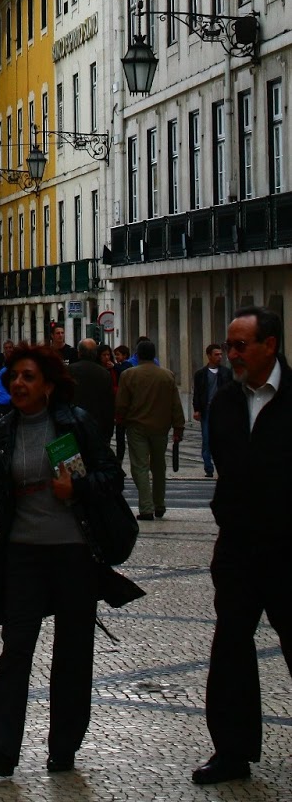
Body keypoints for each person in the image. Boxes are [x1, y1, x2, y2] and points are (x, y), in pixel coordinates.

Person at [0, 344, 140, 777]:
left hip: (74, 552)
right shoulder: (3, 432)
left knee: (73, 653)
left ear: (47, 385)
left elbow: (111, 477)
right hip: (23, 553)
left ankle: (64, 747)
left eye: (27, 377)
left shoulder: (73, 423)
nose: (18, 384)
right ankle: (1, 749)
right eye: (13, 377)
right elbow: (1, 496)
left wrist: (76, 489)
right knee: (16, 649)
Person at [191, 307, 292, 785]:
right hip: (238, 547)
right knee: (231, 645)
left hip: (289, 547)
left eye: (240, 345)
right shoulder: (227, 400)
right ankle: (232, 752)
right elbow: (228, 466)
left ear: (270, 345)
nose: (232, 354)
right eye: (229, 345)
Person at [115, 337, 184, 519]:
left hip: (136, 426)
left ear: (138, 355)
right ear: (154, 355)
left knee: (140, 466)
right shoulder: (167, 375)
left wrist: (120, 419)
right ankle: (159, 503)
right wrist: (178, 427)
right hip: (161, 427)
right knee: (159, 466)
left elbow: (121, 403)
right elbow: (175, 404)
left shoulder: (128, 375)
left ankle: (146, 507)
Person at [192, 343, 232, 480]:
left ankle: (222, 467)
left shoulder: (226, 373)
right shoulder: (200, 374)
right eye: (216, 354)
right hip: (207, 411)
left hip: (223, 411)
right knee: (207, 439)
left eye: (221, 354)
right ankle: (208, 468)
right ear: (209, 356)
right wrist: (197, 409)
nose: (220, 357)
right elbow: (197, 393)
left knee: (223, 440)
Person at [67, 338, 115, 440]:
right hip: (98, 424)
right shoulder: (104, 373)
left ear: (79, 353)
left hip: (74, 424)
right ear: (95, 353)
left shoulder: (69, 370)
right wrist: (109, 430)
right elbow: (109, 403)